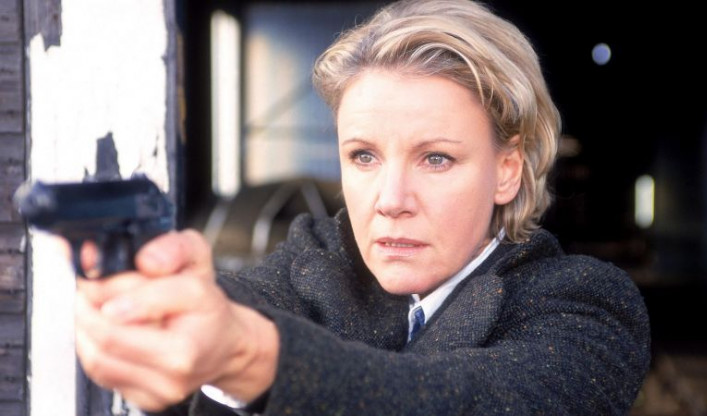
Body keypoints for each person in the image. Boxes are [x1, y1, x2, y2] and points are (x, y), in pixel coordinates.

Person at [74, 0, 651, 415]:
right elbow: (237, 307)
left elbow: (476, 399)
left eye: (436, 159)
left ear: (507, 170)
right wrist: (168, 309)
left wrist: (253, 358)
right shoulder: (317, 260)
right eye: (364, 156)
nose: (390, 201)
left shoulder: (584, 305)